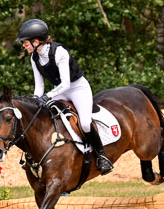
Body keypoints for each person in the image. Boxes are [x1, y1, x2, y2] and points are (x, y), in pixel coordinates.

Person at [15, 19, 113, 174]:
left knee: (86, 124)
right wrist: (35, 101)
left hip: (77, 88)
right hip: (58, 90)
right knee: (43, 116)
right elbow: (39, 86)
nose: (23, 45)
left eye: (25, 42)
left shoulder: (59, 52)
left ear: (36, 41)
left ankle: (102, 157)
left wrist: (47, 96)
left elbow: (66, 83)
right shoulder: (34, 58)